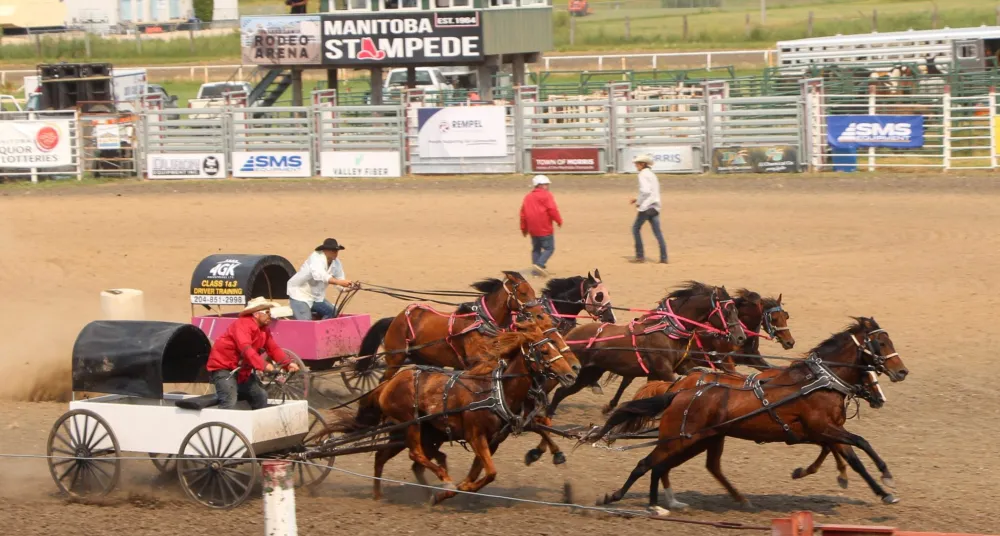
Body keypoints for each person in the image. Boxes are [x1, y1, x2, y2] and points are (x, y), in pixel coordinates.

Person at [205, 297, 300, 410]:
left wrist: (287, 364)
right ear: (256, 314)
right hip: (224, 369)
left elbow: (273, 349)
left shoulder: (264, 330)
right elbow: (246, 349)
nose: (271, 316)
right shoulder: (242, 325)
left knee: (261, 396)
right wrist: (264, 366)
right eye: (268, 312)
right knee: (229, 401)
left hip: (241, 371)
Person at [287, 238, 355, 320]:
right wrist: (339, 282)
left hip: (316, 297)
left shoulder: (337, 263)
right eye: (333, 250)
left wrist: (349, 288)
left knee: (333, 313)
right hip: (299, 295)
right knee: (305, 321)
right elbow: (320, 275)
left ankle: (322, 331)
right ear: (325, 250)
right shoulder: (315, 258)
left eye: (336, 250)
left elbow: (340, 284)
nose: (335, 253)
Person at [520, 175, 563, 276]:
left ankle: (536, 272)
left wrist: (524, 228)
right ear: (539, 185)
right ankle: (539, 264)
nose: (547, 186)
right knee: (549, 248)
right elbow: (552, 209)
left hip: (532, 229)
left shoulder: (528, 197)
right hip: (545, 228)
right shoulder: (547, 195)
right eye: (545, 184)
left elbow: (523, 214)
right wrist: (558, 220)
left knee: (536, 248)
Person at [630, 154, 668, 264]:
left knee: (635, 228)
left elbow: (645, 191)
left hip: (646, 207)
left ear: (642, 164)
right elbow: (651, 191)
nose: (636, 165)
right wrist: (637, 199)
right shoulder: (652, 174)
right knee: (658, 232)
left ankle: (640, 255)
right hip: (655, 206)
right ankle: (664, 257)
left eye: (637, 164)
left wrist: (638, 202)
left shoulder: (642, 174)